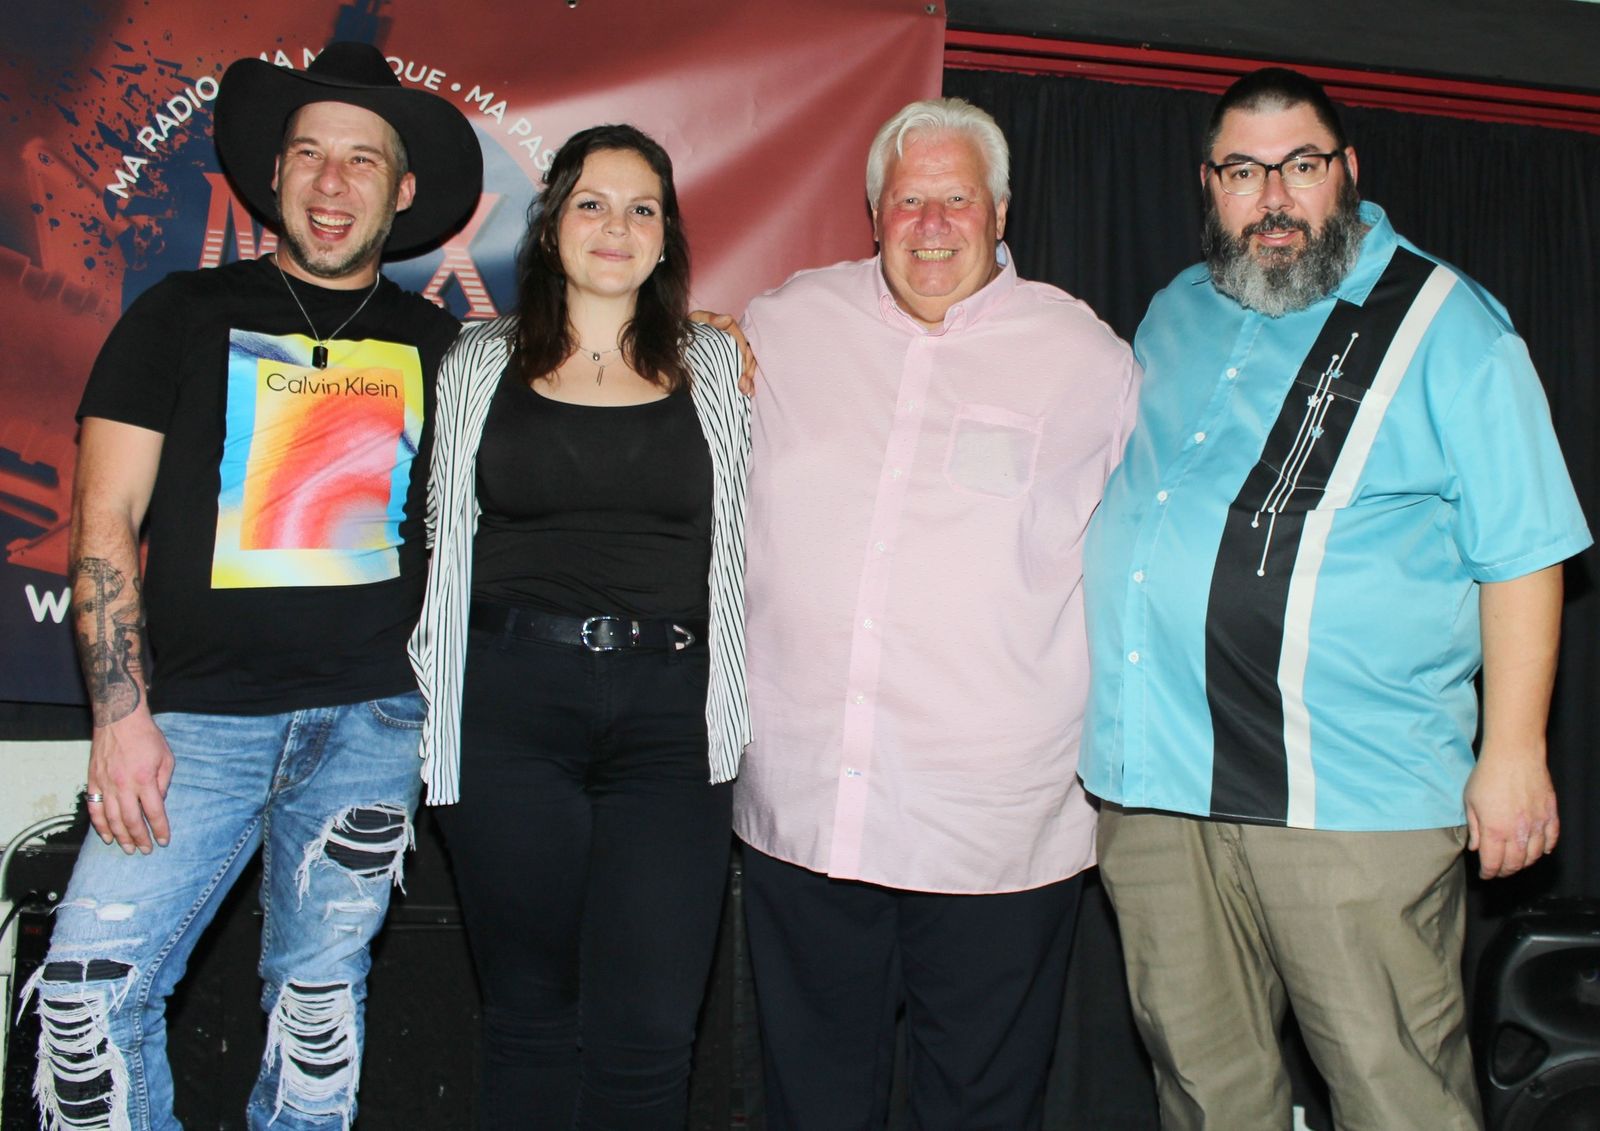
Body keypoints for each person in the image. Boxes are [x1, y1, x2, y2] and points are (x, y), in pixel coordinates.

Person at [1080, 67, 1592, 1130]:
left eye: (1301, 165)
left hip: (1349, 794)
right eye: (1243, 171)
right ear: (1209, 185)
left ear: (1347, 172)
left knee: (1393, 1094)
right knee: (1204, 1090)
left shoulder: (1450, 326)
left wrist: (1513, 753)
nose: (1274, 197)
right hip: (1160, 782)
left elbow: (1525, 552)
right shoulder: (1173, 312)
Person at [24, 42, 482, 1131]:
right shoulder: (177, 313)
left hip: (373, 724)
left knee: (318, 1010)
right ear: (273, 175)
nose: (333, 182)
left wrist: (700, 334)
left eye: (363, 160)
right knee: (85, 1002)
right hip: (196, 729)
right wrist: (120, 717)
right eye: (310, 154)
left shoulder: (446, 347)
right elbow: (103, 521)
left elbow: (583, 377)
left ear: (402, 192)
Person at [733, 97, 1140, 1130]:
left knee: (979, 1108)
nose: (931, 224)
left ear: (999, 212)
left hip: (991, 824)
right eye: (907, 200)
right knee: (812, 1104)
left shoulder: (1087, 361)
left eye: (956, 199)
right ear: (873, 212)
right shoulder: (784, 325)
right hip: (809, 809)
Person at [407, 123, 749, 1129]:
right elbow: (439, 533)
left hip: (671, 724)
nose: (616, 226)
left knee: (653, 1031)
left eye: (643, 208)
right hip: (509, 709)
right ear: (552, 222)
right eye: (593, 203)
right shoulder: (477, 359)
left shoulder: (719, 364)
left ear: (666, 235)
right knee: (527, 1021)